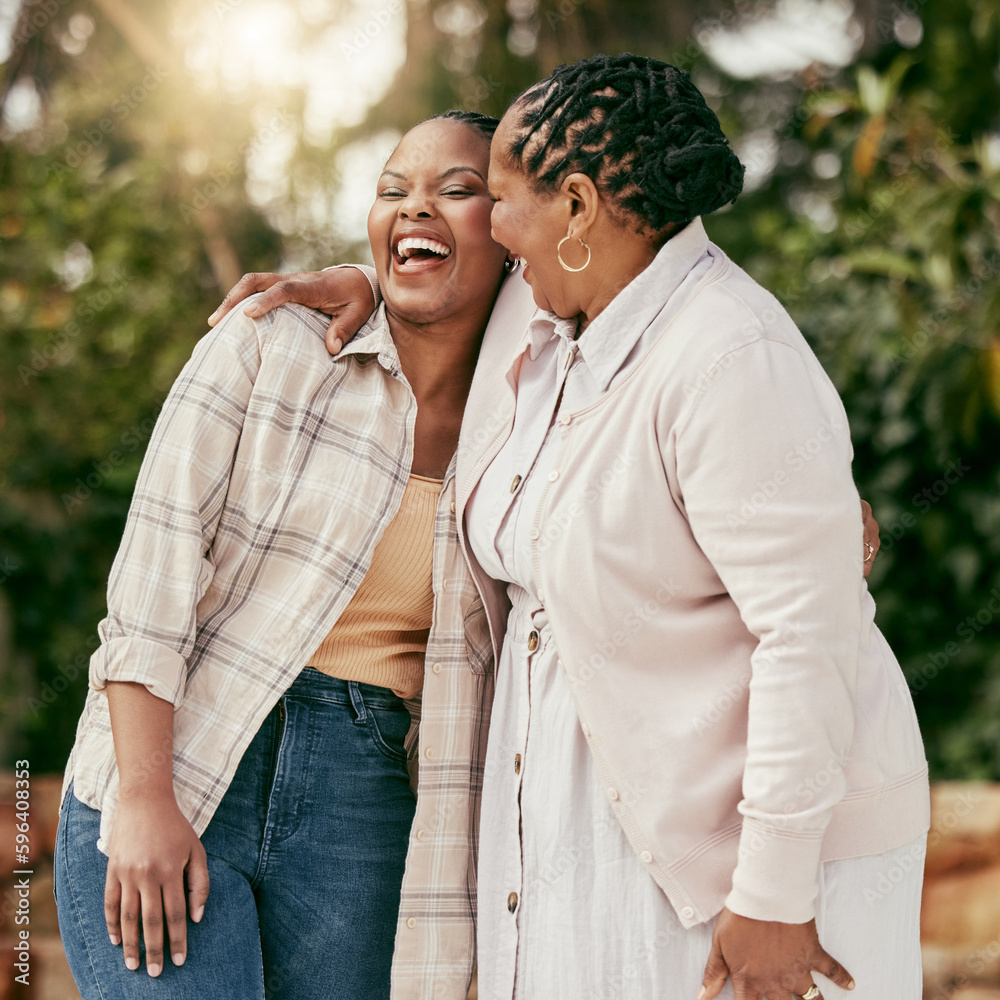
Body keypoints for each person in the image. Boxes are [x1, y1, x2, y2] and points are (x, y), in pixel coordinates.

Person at [215, 55, 926, 1000]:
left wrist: (774, 895)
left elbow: (812, 637)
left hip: (745, 859)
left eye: (503, 199)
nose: (495, 229)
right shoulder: (546, 321)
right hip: (586, 843)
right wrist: (361, 280)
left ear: (580, 208)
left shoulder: (729, 356)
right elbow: (443, 277)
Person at [54, 110, 509, 1000]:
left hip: (365, 792)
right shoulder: (270, 344)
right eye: (392, 191)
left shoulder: (529, 418)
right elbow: (153, 582)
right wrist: (145, 796)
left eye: (457, 191)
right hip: (186, 753)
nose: (417, 208)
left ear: (515, 230)